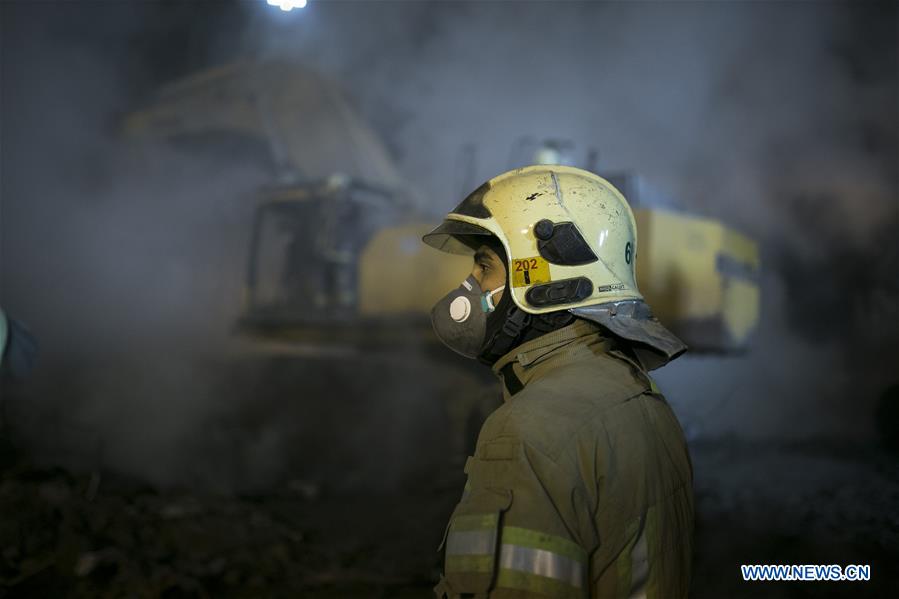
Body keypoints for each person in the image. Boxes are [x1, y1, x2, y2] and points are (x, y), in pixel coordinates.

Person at [423, 165, 694, 598]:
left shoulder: (529, 432)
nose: (470, 285)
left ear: (548, 281)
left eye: (484, 266)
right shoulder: (639, 397)